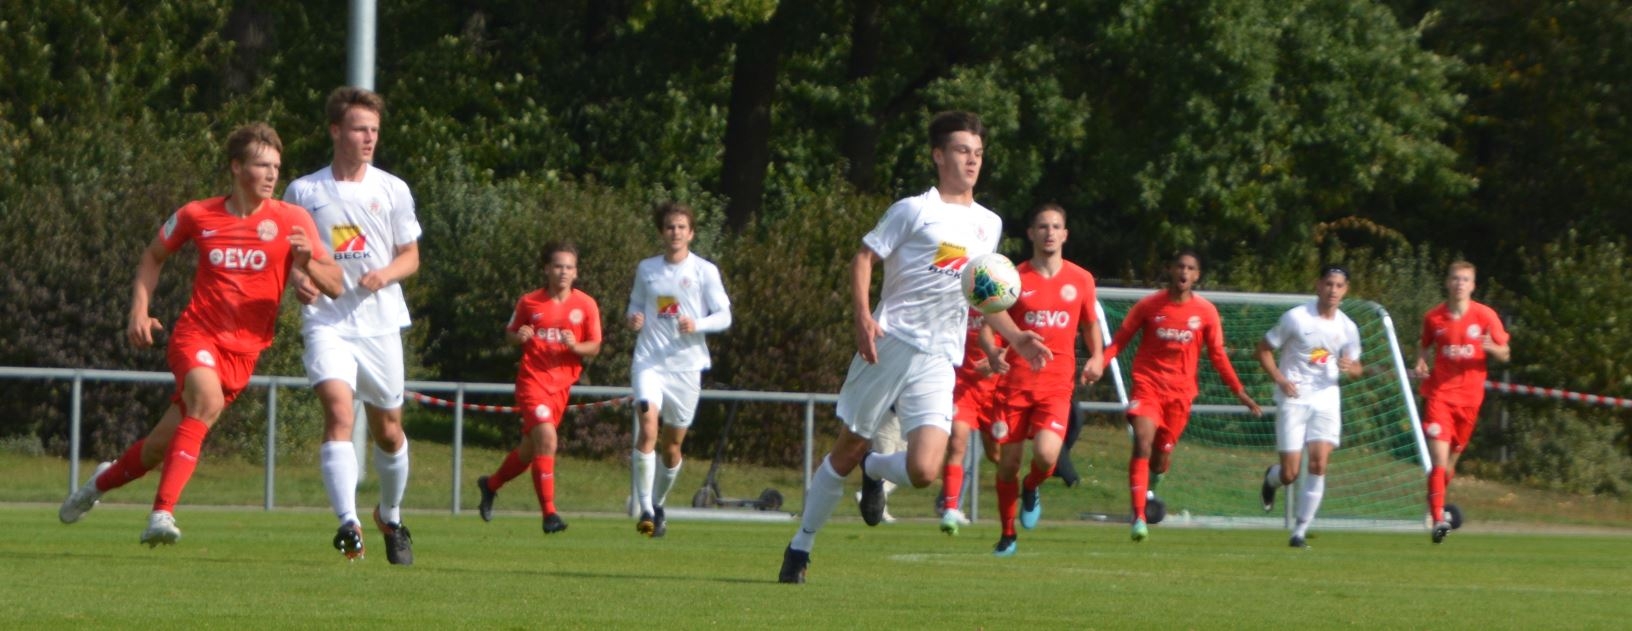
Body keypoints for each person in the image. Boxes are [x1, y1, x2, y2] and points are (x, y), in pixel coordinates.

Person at [778, 111, 1052, 584]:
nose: (972, 160)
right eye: (963, 151)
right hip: (890, 344)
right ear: (938, 155)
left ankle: (875, 469)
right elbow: (864, 258)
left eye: (978, 153)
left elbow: (981, 294)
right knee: (847, 447)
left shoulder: (988, 224)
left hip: (939, 356)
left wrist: (1015, 336)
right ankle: (801, 545)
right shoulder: (913, 210)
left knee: (925, 469)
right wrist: (863, 317)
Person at [57, 123, 342, 545]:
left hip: (244, 352)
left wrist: (307, 264)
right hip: (197, 335)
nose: (271, 174)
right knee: (206, 401)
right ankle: (162, 514)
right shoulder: (197, 214)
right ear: (236, 167)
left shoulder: (292, 219)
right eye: (261, 165)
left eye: (276, 166)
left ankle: (98, 483)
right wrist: (139, 311)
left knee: (158, 447)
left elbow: (335, 285)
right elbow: (153, 256)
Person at [283, 86, 423, 565]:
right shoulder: (304, 192)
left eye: (374, 130)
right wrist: (299, 279)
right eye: (360, 129)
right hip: (327, 321)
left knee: (389, 431)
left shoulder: (392, 189)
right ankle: (349, 523)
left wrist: (386, 273)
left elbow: (411, 256)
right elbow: (287, 257)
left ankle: (390, 515)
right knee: (339, 413)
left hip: (380, 324)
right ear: (335, 131)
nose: (369, 138)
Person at [1103, 251, 1262, 542]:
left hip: (1180, 396)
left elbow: (1218, 355)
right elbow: (1119, 342)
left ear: (1197, 275)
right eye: (1180, 266)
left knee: (1161, 457)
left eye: (1190, 268)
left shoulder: (1206, 312)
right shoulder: (1148, 305)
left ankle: (1155, 479)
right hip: (1148, 387)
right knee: (1142, 442)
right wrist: (1098, 363)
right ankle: (1138, 517)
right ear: (1170, 270)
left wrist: (1240, 392)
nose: (1184, 272)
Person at [987, 203, 1104, 557]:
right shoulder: (1012, 277)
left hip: (1055, 386)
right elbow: (991, 321)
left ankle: (1032, 485)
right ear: (1031, 233)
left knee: (1046, 453)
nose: (1049, 232)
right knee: (1007, 464)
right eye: (1042, 226)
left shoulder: (1081, 279)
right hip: (1014, 385)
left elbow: (1089, 324)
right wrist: (992, 351)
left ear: (1065, 234)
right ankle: (1008, 534)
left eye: (1055, 226)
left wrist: (1097, 356)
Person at [475, 242, 602, 535]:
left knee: (529, 450)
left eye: (569, 267)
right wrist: (518, 336)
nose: (563, 272)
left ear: (576, 272)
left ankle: (490, 485)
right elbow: (510, 334)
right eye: (558, 266)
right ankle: (549, 514)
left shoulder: (586, 305)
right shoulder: (529, 302)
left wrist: (576, 346)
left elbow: (594, 346)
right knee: (547, 437)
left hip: (561, 386)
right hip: (532, 381)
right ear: (546, 269)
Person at [627, 202, 732, 537]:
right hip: (649, 362)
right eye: (670, 227)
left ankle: (658, 503)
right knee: (647, 429)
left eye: (681, 227)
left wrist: (697, 324)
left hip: (686, 367)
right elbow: (636, 304)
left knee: (672, 447)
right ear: (662, 232)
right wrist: (634, 318)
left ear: (691, 233)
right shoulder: (647, 268)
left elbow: (725, 315)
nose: (675, 232)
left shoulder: (704, 271)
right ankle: (644, 508)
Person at [1255, 265, 1363, 548]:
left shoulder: (1348, 327)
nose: (1333, 290)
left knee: (1319, 463)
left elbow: (1357, 367)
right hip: (1294, 399)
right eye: (1328, 284)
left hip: (1326, 398)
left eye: (1339, 286)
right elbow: (1263, 349)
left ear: (1345, 290)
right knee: (1290, 473)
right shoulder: (1296, 317)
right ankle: (1272, 479)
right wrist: (1280, 379)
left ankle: (1299, 531)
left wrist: (1350, 367)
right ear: (1318, 286)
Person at [1413, 260, 1510, 544]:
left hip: (1469, 401)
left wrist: (1494, 349)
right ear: (1447, 282)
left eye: (1465, 279)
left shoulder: (1485, 316)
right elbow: (1424, 344)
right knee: (1438, 459)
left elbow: (1505, 352)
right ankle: (1437, 518)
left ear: (1472, 285)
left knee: (1450, 463)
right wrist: (1421, 361)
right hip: (1440, 397)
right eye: (1455, 278)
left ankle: (1434, 503)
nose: (1459, 284)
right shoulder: (1434, 317)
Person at [936, 308, 1005, 535]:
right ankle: (950, 509)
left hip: (995, 390)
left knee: (997, 455)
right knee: (957, 444)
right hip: (963, 386)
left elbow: (1020, 340)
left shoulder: (1003, 299)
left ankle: (1019, 496)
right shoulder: (958, 297)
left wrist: (999, 357)